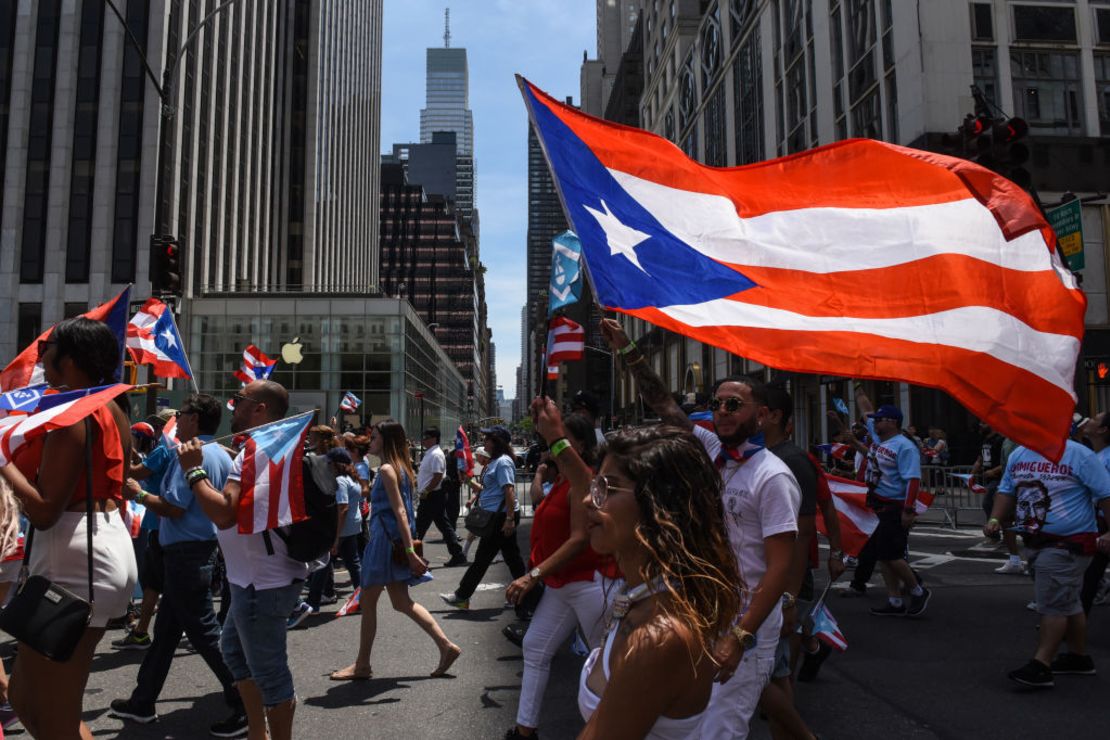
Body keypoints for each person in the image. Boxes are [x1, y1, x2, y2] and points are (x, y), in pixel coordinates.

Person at [600, 318, 799, 739]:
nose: (722, 412)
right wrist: (627, 349)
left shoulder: (773, 477)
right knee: (689, 723)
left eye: (734, 405)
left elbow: (781, 567)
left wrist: (741, 635)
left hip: (747, 622)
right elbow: (663, 404)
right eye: (719, 403)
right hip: (707, 608)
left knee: (721, 729)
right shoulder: (710, 450)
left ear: (761, 415)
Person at [0, 317, 138, 739]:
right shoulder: (112, 406)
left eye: (48, 350)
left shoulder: (74, 414)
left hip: (76, 554)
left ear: (70, 359)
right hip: (94, 545)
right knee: (24, 696)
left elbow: (44, 511)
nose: (41, 357)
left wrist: (2, 462)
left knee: (55, 715)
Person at [573, 420, 742, 739]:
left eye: (607, 487)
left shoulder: (658, 638)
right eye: (596, 485)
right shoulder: (639, 596)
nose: (587, 500)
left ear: (659, 505)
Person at [176, 380, 307, 740]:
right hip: (249, 579)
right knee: (232, 652)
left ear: (260, 410)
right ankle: (256, 731)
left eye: (240, 401)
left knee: (271, 674)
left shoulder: (257, 450)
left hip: (261, 583)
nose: (233, 406)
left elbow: (224, 515)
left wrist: (193, 470)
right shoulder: (264, 447)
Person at [109, 394, 246, 736]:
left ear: (194, 420)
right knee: (166, 634)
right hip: (191, 553)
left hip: (187, 554)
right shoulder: (214, 453)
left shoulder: (189, 457)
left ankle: (244, 701)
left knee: (205, 635)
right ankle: (143, 701)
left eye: (181, 414)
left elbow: (172, 507)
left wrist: (136, 493)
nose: (175, 420)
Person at [329, 420, 461, 680]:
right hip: (392, 543)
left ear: (386, 440)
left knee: (369, 603)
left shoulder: (389, 469)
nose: (371, 441)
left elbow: (401, 511)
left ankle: (362, 665)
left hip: (384, 544)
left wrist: (411, 551)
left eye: (375, 437)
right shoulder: (401, 468)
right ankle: (445, 646)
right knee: (401, 602)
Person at [504, 410, 606, 740]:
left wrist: (532, 574)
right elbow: (536, 500)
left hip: (590, 582)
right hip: (562, 585)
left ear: (576, 444)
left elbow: (579, 540)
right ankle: (524, 732)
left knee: (610, 665)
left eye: (557, 438)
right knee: (535, 648)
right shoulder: (561, 479)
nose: (548, 445)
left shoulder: (584, 481)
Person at [985, 437, 1110, 687]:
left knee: (1052, 603)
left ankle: (1041, 664)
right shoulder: (1020, 454)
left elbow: (1106, 494)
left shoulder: (1079, 455)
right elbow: (1007, 490)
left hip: (1069, 542)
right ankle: (1078, 658)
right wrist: (995, 519)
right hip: (1035, 539)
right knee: (1068, 600)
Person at [758, 384, 845, 740]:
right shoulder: (756, 457)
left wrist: (789, 597)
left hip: (789, 579)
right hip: (768, 578)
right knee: (771, 670)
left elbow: (809, 524)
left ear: (775, 416)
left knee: (778, 668)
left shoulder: (793, 461)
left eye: (742, 406)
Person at [853, 386, 930, 617]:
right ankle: (894, 600)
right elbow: (867, 412)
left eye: (880, 420)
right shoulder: (879, 439)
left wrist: (908, 509)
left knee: (893, 555)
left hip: (894, 507)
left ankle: (917, 590)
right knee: (883, 555)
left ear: (893, 422)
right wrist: (859, 390)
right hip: (878, 506)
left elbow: (913, 480)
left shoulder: (905, 447)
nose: (874, 423)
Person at [441, 425, 527, 610]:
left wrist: (510, 519)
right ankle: (529, 596)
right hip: (497, 516)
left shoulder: (502, 462)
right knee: (513, 560)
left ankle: (462, 596)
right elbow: (489, 490)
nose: (483, 442)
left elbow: (509, 491)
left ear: (497, 442)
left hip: (501, 517)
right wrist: (469, 481)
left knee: (483, 558)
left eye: (487, 439)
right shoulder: (495, 462)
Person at [974, 423, 1023, 574]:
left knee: (1029, 522)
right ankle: (1014, 560)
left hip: (1025, 489)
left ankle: (1033, 563)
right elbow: (1006, 467)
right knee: (1006, 520)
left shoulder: (1019, 443)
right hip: (1008, 486)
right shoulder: (1008, 442)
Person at [415, 427, 466, 566]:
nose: (423, 440)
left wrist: (426, 491)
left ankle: (414, 559)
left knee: (418, 528)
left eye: (426, 437)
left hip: (432, 495)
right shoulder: (430, 453)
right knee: (443, 525)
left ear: (433, 438)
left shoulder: (436, 454)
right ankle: (457, 554)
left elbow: (438, 476)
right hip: (431, 495)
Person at [1079, 412, 1110, 613]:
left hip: (1105, 523)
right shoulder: (1094, 455)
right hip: (1097, 522)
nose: (1089, 420)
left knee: (1089, 575)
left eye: (1095, 419)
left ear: (1102, 429)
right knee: (1088, 575)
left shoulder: (1106, 458)